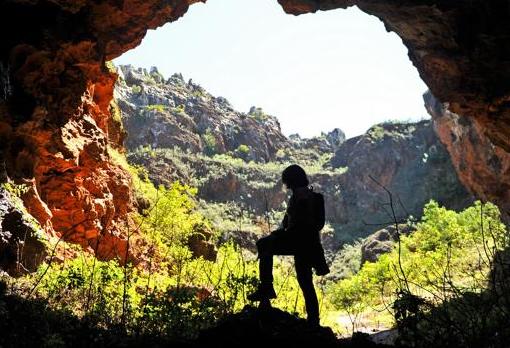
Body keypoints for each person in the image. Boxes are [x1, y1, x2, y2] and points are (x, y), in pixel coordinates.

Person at [247, 164, 330, 326]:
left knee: (304, 281)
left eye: (288, 183)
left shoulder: (315, 198)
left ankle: (313, 320)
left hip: (306, 244)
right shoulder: (294, 199)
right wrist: (280, 232)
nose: (287, 186)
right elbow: (286, 224)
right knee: (304, 280)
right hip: (299, 243)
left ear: (292, 181)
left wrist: (303, 208)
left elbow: (317, 224)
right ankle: (267, 289)